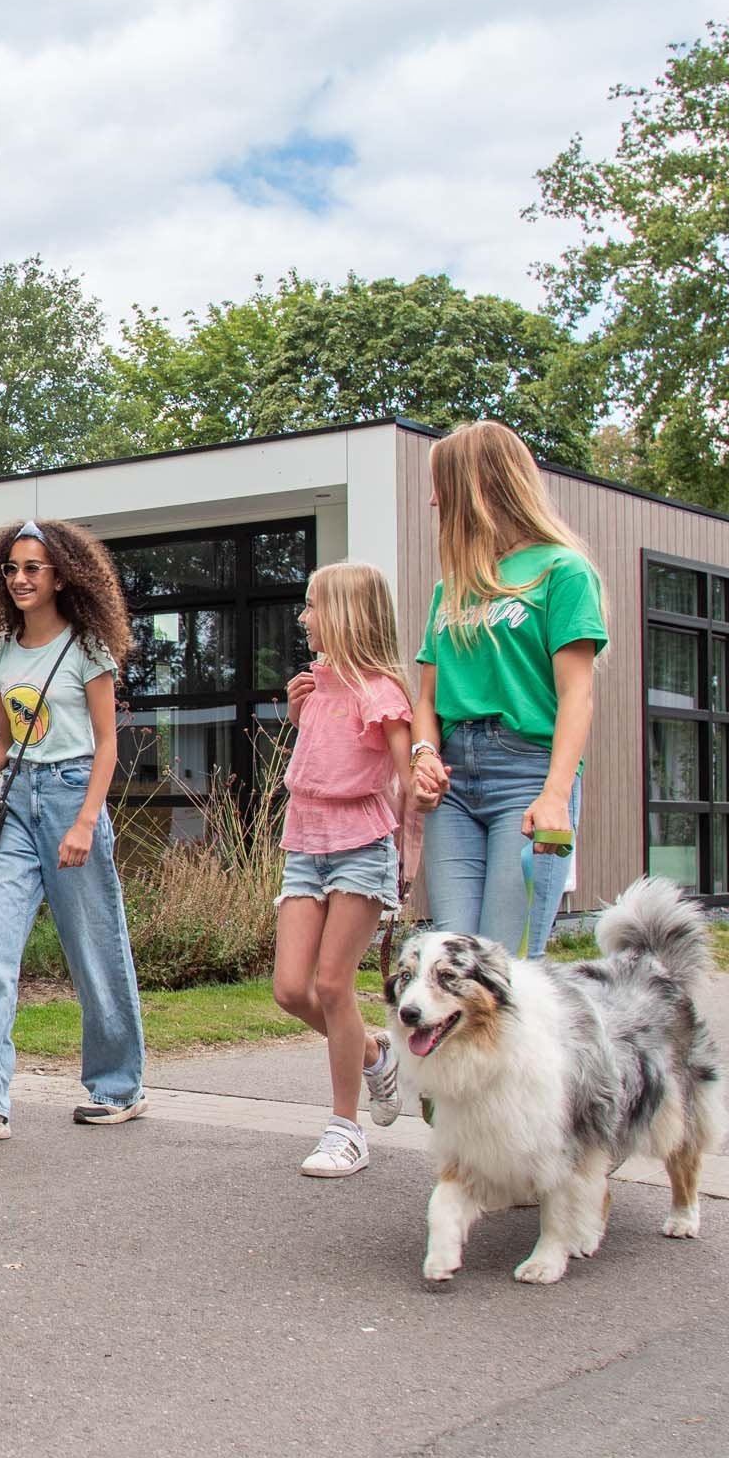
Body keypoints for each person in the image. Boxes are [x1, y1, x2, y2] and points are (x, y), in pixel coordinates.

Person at [0, 517, 147, 1141]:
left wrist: (86, 821)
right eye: (11, 569)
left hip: (72, 797)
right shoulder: (4, 652)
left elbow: (109, 745)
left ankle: (118, 1087)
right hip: (20, 806)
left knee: (95, 949)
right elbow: (8, 743)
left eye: (33, 568)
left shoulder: (87, 648)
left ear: (61, 576)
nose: (20, 578)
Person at [410, 420, 608, 959]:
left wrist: (556, 796)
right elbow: (426, 698)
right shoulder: (449, 589)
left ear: (477, 488)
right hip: (452, 785)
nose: (433, 502)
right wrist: (423, 755)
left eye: (441, 487)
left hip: (525, 774)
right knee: (450, 962)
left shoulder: (562, 571)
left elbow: (577, 696)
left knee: (504, 969)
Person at [274, 562, 413, 1178]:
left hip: (361, 844)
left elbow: (407, 785)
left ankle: (345, 1129)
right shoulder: (315, 682)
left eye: (312, 606)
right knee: (290, 990)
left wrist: (406, 869)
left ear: (348, 614)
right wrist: (295, 714)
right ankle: (376, 1053)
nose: (303, 617)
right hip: (305, 842)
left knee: (334, 987)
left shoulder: (382, 692)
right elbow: (316, 758)